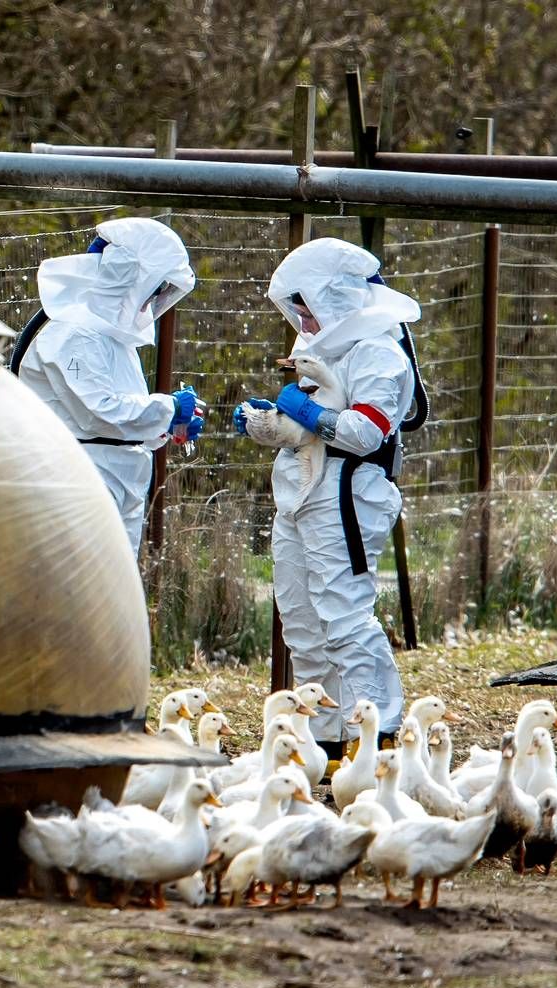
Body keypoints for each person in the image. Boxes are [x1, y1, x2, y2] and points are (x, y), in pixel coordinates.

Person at [233, 238, 426, 763]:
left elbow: (364, 432)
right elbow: (312, 430)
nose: (302, 319)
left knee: (343, 617)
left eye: (306, 307)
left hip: (348, 492)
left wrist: (304, 410)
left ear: (335, 298)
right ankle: (325, 744)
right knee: (301, 621)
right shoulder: (323, 350)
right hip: (300, 491)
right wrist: (269, 423)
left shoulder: (379, 354)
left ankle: (378, 734)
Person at [14, 218, 205, 553]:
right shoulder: (71, 332)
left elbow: (120, 423)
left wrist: (167, 428)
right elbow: (98, 413)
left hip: (114, 482)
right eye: (155, 290)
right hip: (78, 482)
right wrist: (168, 408)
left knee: (113, 596)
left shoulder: (111, 336)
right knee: (79, 593)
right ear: (130, 275)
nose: (151, 304)